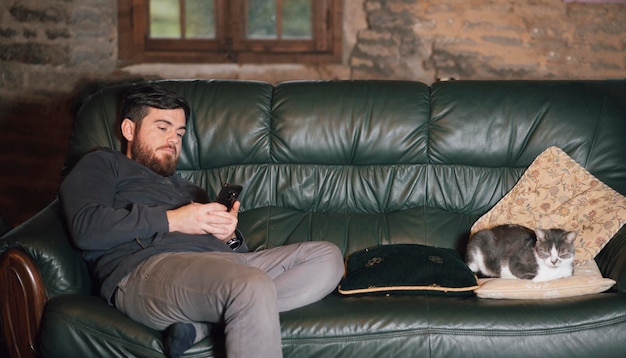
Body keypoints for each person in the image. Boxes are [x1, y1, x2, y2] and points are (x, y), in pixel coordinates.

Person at [59, 84, 345, 358]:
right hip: (146, 270)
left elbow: (236, 258)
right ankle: (222, 312)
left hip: (222, 269)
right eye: (162, 128)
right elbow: (86, 228)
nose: (173, 140)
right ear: (129, 129)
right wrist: (174, 220)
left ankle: (202, 324)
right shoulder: (103, 163)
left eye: (180, 133)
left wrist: (228, 237)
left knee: (327, 258)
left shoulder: (190, 189)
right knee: (250, 285)